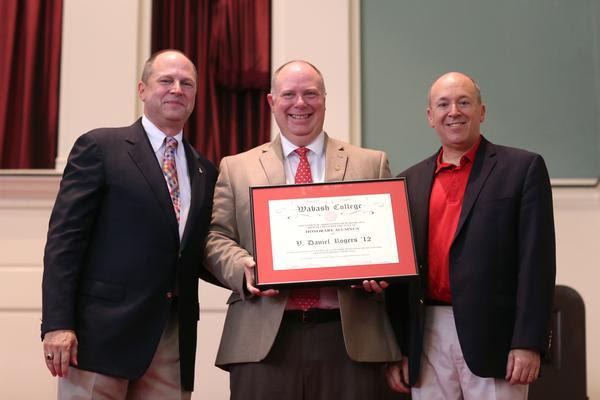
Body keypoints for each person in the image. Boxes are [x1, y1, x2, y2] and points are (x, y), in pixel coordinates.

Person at [204, 60, 402, 400]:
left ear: (324, 99)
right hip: (263, 338)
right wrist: (242, 267)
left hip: (349, 337)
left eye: (311, 94)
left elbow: (390, 237)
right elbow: (215, 236)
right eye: (289, 94)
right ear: (271, 102)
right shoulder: (236, 167)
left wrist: (382, 270)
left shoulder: (371, 163)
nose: (300, 103)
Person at [41, 49, 218, 399]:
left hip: (171, 340)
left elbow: (199, 251)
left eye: (187, 83)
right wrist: (58, 324)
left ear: (196, 95)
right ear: (142, 89)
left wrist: (259, 273)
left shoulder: (205, 170)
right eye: (165, 81)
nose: (177, 89)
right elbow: (65, 242)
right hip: (98, 339)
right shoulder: (101, 147)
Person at [385, 72, 556, 399]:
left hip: (498, 339)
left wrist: (528, 341)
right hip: (426, 336)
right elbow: (400, 277)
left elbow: (538, 263)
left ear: (482, 112)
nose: (454, 111)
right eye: (443, 104)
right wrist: (401, 349)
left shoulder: (522, 169)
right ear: (429, 116)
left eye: (464, 102)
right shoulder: (408, 181)